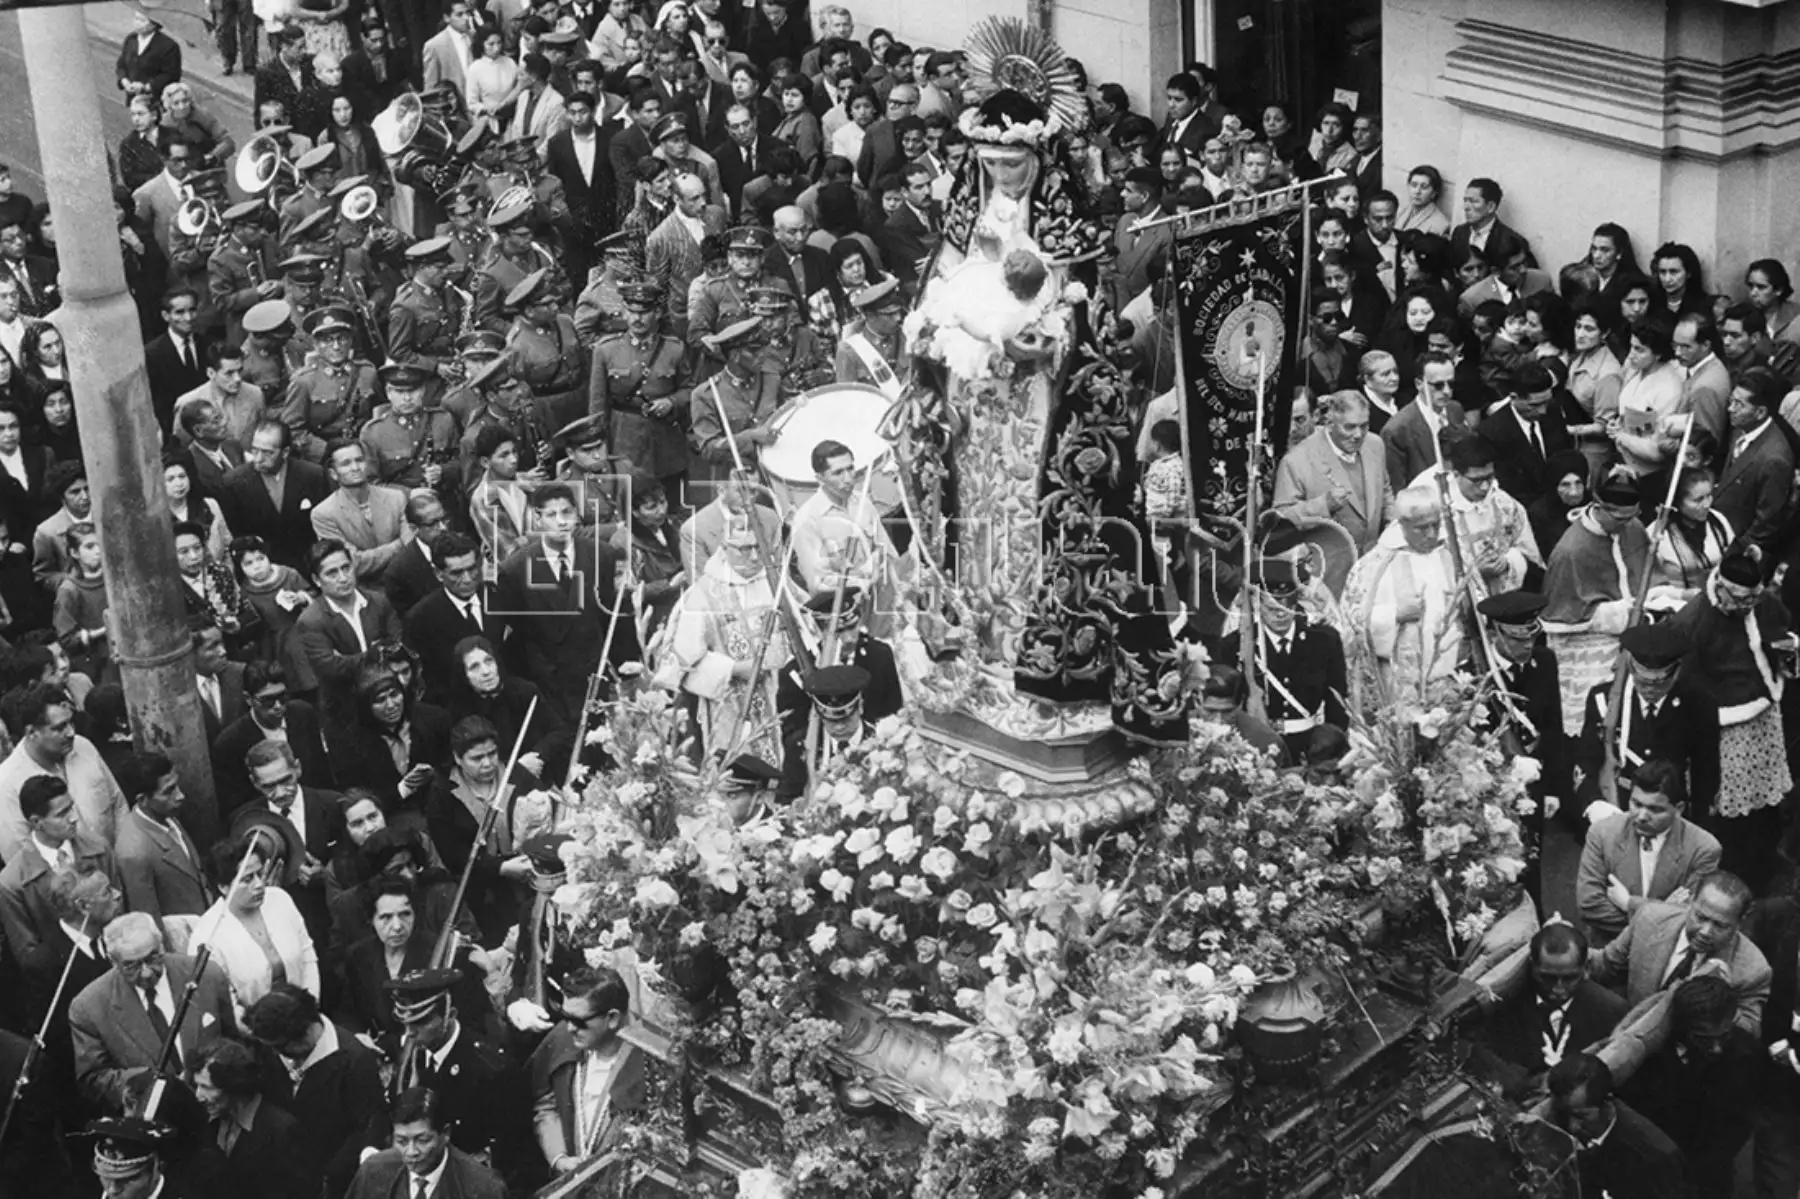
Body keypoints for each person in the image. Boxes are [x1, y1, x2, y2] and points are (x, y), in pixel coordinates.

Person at [1662, 549, 1796, 892]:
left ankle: (1766, 863)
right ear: (1720, 587)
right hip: (1724, 725)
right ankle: (1732, 878)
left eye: (1752, 599)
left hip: (1764, 714)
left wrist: (1785, 650)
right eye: (1738, 600)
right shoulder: (1692, 620)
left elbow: (1780, 628)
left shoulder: (1760, 603)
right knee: (1729, 810)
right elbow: (1689, 682)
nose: (1746, 608)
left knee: (1766, 804)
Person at [493, 481, 640, 721]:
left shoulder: (602, 555)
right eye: (551, 514)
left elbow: (617, 616)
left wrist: (625, 670)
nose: (561, 521)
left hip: (598, 676)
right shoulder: (516, 569)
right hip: (550, 685)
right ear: (537, 519)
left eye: (567, 512)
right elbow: (517, 632)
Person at [68, 911, 238, 1113]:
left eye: (153, 957)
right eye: (131, 965)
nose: (147, 972)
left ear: (163, 945)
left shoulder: (206, 975)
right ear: (112, 960)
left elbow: (232, 1042)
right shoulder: (89, 1007)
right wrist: (147, 1084)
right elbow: (94, 1077)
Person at [244, 981, 388, 1198]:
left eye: (280, 1047)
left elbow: (367, 1127)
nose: (274, 1052)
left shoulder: (355, 1061)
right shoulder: (271, 1046)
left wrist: (330, 1177)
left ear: (306, 1034)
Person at [1590, 870, 1770, 1034]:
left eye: (1720, 925)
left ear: (1740, 923)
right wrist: (1574, 945)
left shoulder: (1753, 970)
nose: (1705, 932)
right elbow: (1604, 964)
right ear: (1691, 903)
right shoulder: (1649, 919)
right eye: (1701, 917)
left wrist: (1722, 1001)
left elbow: (1750, 1032)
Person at [1539, 471, 1651, 735]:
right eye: (1620, 518)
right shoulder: (1570, 551)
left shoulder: (1632, 527)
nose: (1627, 525)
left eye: (1632, 516)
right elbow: (1562, 618)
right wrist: (1621, 614)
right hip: (1585, 649)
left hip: (1633, 642)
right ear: (1599, 508)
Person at [1466, 919, 1627, 1100]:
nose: (1558, 989)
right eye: (1548, 978)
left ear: (1586, 969)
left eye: (1569, 978)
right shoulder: (1504, 1006)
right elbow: (1483, 1055)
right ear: (1532, 967)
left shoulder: (1610, 1011)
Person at [1576, 756, 1723, 944]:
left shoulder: (1704, 849)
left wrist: (1629, 903)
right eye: (1636, 804)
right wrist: (1663, 913)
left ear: (1678, 809)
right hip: (1609, 950)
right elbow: (1589, 906)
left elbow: (1691, 916)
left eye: (1655, 809)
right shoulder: (1602, 833)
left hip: (1665, 955)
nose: (1641, 816)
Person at [1342, 484, 1463, 710]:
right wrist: (1395, 614)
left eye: (1435, 525)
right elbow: (1353, 623)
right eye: (1421, 528)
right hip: (1398, 686)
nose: (1431, 534)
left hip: (1449, 679)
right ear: (1402, 524)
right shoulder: (1375, 565)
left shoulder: (1452, 555)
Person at [1217, 559, 1348, 763]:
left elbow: (1337, 701)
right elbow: (1228, 708)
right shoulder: (1235, 645)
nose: (1280, 615)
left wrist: (1332, 750)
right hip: (1258, 748)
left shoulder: (1324, 640)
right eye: (1272, 608)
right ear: (1257, 603)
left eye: (1286, 607)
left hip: (1311, 749)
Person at [383, 971, 517, 1167]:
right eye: (406, 1023)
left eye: (421, 1022)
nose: (410, 1032)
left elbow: (509, 1150)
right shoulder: (410, 1059)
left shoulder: (490, 1069)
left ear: (450, 1015)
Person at [526, 965, 644, 1175]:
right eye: (565, 1016)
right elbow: (545, 1104)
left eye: (579, 1021)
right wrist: (559, 1158)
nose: (569, 1027)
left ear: (613, 1018)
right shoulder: (563, 1038)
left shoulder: (647, 1061)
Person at [0, 775, 117, 980]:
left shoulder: (99, 849)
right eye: (62, 814)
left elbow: (119, 906)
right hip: (65, 982)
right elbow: (30, 956)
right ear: (37, 822)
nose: (73, 818)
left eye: (71, 808)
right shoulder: (13, 883)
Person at [190, 828, 321, 1009]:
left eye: (260, 874)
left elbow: (307, 955)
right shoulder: (207, 935)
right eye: (247, 879)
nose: (259, 884)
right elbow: (226, 1002)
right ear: (223, 887)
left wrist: (312, 1004)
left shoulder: (280, 899)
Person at [588, 277, 693, 502]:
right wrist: (599, 446)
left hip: (664, 438)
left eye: (644, 312)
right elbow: (597, 405)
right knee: (629, 499)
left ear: (656, 314)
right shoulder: (606, 350)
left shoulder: (674, 349)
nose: (637, 318)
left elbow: (689, 389)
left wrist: (672, 402)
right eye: (632, 311)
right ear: (623, 312)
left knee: (671, 499)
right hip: (624, 437)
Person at [0, 681, 129, 863]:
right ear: (31, 732)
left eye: (70, 723)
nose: (70, 733)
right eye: (59, 728)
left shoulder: (83, 746)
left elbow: (118, 804)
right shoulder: (7, 784)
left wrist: (124, 861)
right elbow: (22, 859)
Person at [1546, 1054, 1688, 1199]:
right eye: (1563, 1114)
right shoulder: (1556, 1126)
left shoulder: (1655, 1158)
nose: (1572, 1127)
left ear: (1606, 1103)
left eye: (1582, 1116)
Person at [190, 1038, 311, 1199]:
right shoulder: (211, 1121)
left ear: (234, 1086)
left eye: (206, 1087)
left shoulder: (281, 1130)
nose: (198, 1096)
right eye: (197, 1085)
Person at [218, 418, 334, 574]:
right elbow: (238, 536)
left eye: (267, 453)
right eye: (255, 450)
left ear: (285, 452)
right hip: (265, 571)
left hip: (311, 567)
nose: (258, 458)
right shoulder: (234, 483)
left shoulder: (313, 475)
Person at [113, 751, 210, 928]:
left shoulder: (165, 815)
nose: (180, 796)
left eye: (177, 786)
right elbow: (150, 922)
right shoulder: (133, 853)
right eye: (169, 791)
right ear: (143, 800)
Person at [1714, 366, 1795, 555]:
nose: (1730, 409)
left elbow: (1766, 524)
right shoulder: (1741, 426)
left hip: (1735, 547)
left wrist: (1734, 552)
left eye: (1738, 405)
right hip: (1719, 528)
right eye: (1731, 401)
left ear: (1760, 412)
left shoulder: (1774, 459)